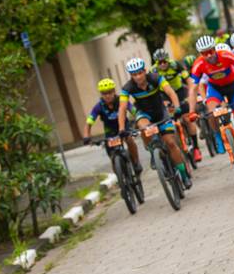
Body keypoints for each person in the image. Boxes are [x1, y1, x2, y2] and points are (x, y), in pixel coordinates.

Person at [187, 35, 234, 172]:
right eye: (204, 53)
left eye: (210, 51)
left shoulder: (226, 55)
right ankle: (217, 135)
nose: (209, 55)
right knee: (211, 111)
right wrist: (191, 111)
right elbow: (193, 89)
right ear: (200, 54)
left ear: (215, 49)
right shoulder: (198, 64)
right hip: (215, 89)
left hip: (233, 87)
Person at [118, 58, 191, 187]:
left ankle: (183, 174)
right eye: (134, 74)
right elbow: (122, 108)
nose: (138, 77)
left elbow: (170, 92)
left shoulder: (156, 78)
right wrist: (121, 128)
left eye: (140, 73)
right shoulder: (127, 87)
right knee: (143, 126)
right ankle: (153, 150)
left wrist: (177, 107)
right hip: (144, 113)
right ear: (131, 76)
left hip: (160, 112)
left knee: (170, 143)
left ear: (145, 71)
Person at [151, 48, 202, 162]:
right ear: (156, 63)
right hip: (165, 95)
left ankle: (196, 148)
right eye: (160, 62)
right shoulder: (153, 71)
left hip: (179, 92)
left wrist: (191, 94)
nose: (163, 64)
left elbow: (188, 80)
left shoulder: (175, 65)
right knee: (171, 121)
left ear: (168, 60)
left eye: (164, 61)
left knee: (187, 119)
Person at [83, 78, 143, 175]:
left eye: (110, 92)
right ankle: (120, 177)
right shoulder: (98, 106)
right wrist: (86, 136)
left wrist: (140, 121)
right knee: (112, 155)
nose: (107, 96)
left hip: (124, 126)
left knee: (129, 140)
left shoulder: (122, 100)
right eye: (104, 93)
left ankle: (136, 162)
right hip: (110, 130)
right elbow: (89, 122)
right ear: (101, 94)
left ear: (114, 91)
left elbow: (134, 111)